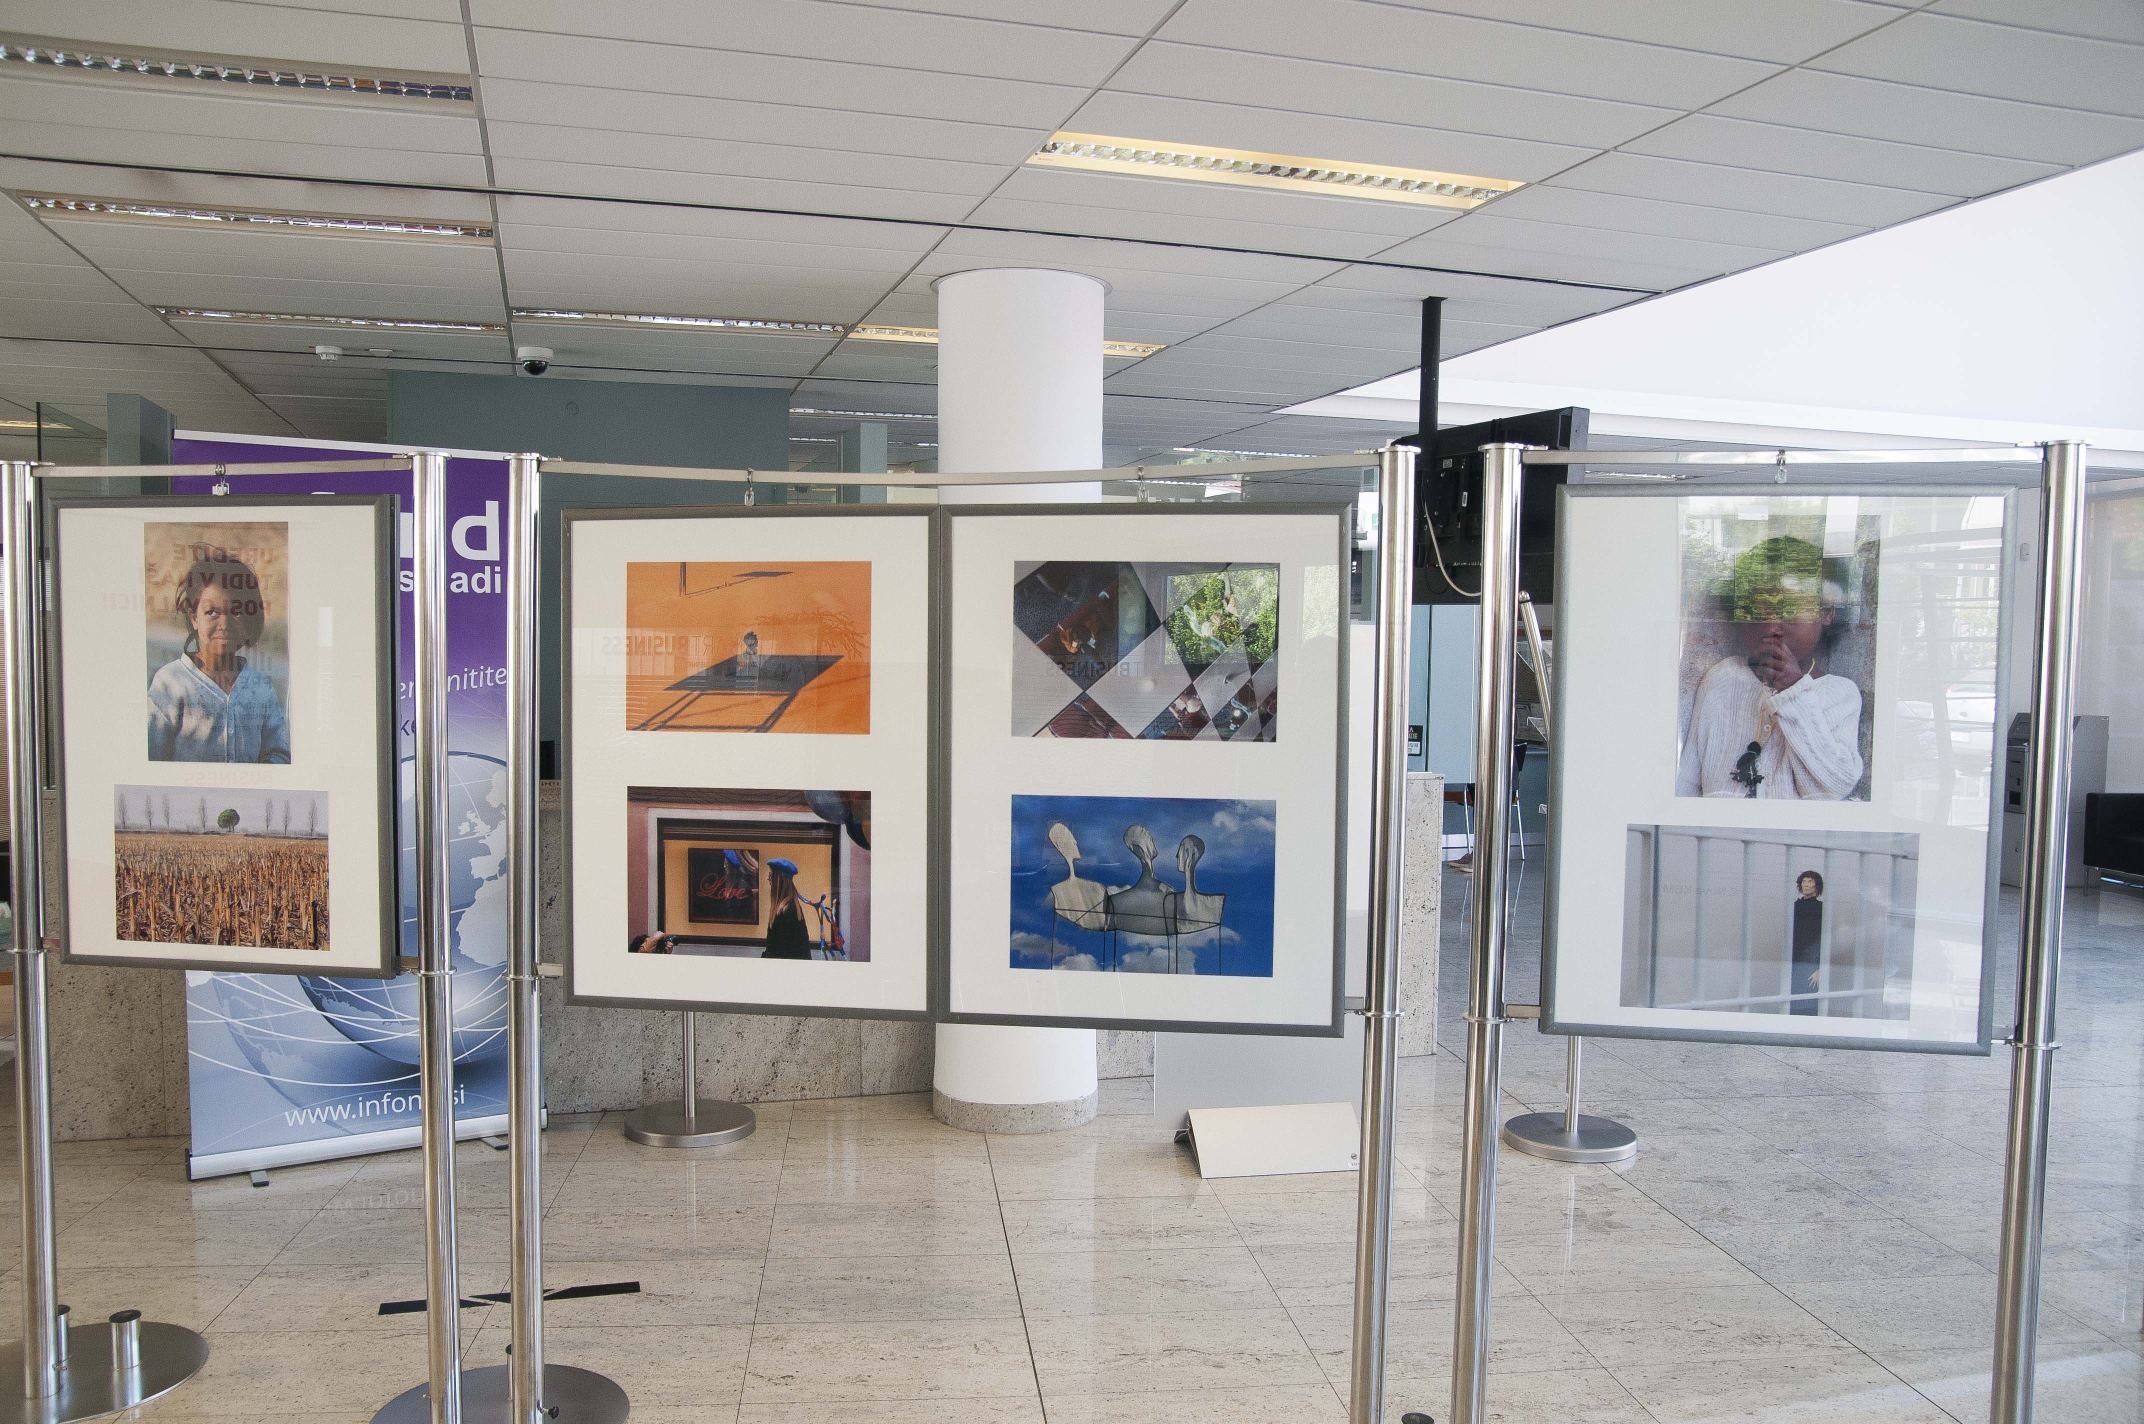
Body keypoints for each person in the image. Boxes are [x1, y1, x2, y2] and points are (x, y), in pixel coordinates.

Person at [1676, 535, 1863, 800]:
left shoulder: (1840, 693)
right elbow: (1686, 779)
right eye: (1757, 610)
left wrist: (1793, 692)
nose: (1772, 626)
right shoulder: (1721, 679)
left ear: (1826, 613)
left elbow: (1833, 787)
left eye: (1790, 610)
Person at [147, 549, 291, 764]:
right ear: (194, 617)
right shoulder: (170, 683)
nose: (225, 624)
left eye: (237, 611)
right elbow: (152, 759)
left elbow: (278, 753)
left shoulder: (260, 688)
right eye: (212, 612)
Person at [761, 857, 812, 959]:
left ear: (778, 879)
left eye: (771, 875)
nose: (768, 878)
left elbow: (779, 952)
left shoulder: (787, 911)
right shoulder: (791, 907)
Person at [1789, 870, 1825, 1016]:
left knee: (1808, 1001)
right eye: (1804, 881)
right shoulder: (1793, 906)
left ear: (1817, 885)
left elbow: (1824, 939)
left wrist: (1820, 968)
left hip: (1811, 963)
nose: (1806, 884)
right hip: (1793, 961)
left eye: (1810, 881)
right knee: (1792, 1000)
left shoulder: (1822, 909)